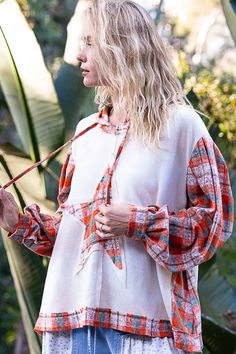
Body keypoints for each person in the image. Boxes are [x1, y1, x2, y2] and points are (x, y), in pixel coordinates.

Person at [0, 0, 234, 353]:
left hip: (147, 329)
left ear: (122, 46)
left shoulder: (183, 127)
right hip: (72, 323)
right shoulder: (85, 132)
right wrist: (17, 221)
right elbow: (74, 234)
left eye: (90, 42)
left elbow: (213, 224)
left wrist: (137, 222)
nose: (80, 55)